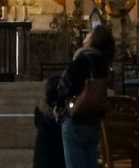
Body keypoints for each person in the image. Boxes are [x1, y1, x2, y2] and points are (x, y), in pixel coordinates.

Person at [55, 20, 116, 168]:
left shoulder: (83, 59)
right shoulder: (103, 63)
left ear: (93, 40)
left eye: (89, 33)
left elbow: (66, 85)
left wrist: (58, 104)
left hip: (76, 117)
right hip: (93, 118)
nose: (86, 35)